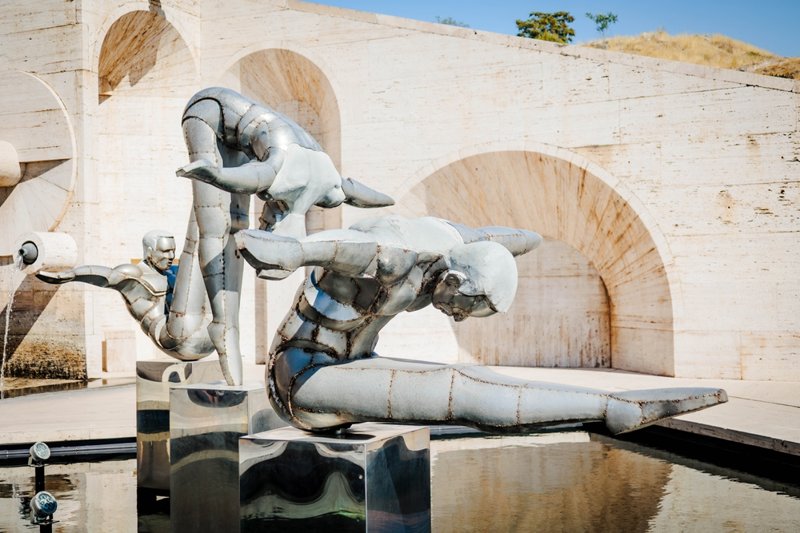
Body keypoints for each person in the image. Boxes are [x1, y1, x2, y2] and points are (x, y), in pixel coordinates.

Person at [234, 215, 727, 435]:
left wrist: (515, 241)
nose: (457, 317)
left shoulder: (459, 244)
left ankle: (606, 406)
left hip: (348, 365)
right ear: (450, 278)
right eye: (463, 307)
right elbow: (342, 246)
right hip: (298, 380)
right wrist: (294, 251)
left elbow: (522, 238)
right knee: (458, 389)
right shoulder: (391, 255)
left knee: (470, 383)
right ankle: (610, 408)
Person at [175, 87, 394, 385]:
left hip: (251, 135)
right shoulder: (280, 176)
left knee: (233, 220)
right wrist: (210, 174)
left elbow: (356, 193)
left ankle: (226, 329)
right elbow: (246, 177)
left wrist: (214, 175)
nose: (262, 222)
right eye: (266, 227)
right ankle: (224, 326)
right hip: (208, 111)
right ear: (274, 220)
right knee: (218, 225)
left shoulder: (326, 187)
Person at [36, 230, 214, 360]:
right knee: (194, 251)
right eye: (165, 251)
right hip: (168, 337)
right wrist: (68, 275)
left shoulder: (170, 273)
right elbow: (105, 275)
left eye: (172, 251)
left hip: (196, 336)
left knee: (199, 256)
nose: (171, 256)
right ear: (150, 251)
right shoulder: (134, 275)